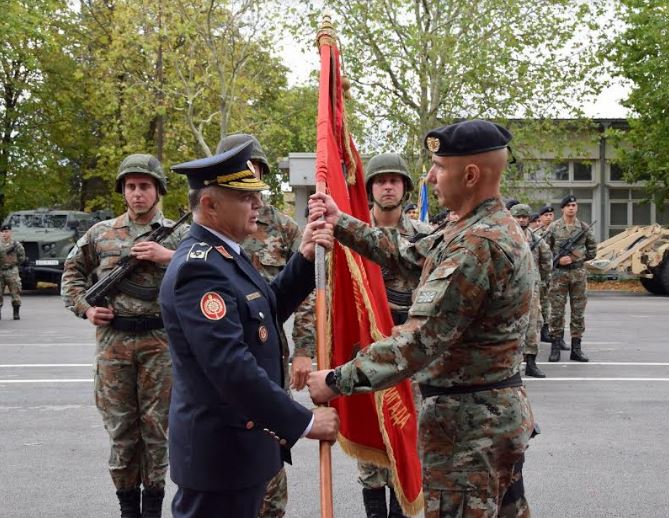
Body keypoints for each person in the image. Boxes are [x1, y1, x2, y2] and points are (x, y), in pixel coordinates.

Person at [307, 119, 536, 517]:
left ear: (469, 175)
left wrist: (334, 381)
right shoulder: (471, 229)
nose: (429, 177)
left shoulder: (478, 245)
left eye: (438, 167)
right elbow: (407, 254)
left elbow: (416, 344)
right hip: (482, 421)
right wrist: (339, 220)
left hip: (469, 433)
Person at [160, 141, 339, 518]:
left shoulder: (225, 254)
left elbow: (263, 311)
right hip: (220, 457)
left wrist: (304, 258)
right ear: (209, 205)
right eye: (245, 196)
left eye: (256, 194)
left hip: (242, 450)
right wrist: (304, 421)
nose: (258, 204)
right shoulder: (200, 267)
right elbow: (230, 366)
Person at [61, 154, 189, 518]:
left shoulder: (180, 237)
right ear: (123, 191)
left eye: (144, 186)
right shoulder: (100, 233)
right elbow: (71, 274)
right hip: (113, 343)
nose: (137, 194)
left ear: (158, 191)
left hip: (161, 343)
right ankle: (127, 509)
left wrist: (167, 256)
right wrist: (85, 307)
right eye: (131, 187)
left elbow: (207, 273)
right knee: (121, 430)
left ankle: (153, 509)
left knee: (157, 431)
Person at [215, 133, 316, 518]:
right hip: (223, 361)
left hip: (268, 356)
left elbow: (303, 294)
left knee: (270, 460)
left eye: (254, 171)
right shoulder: (203, 236)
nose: (249, 182)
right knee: (226, 471)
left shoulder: (284, 227)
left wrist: (304, 350)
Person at [357, 152, 433, 518]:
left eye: (395, 181)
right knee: (371, 444)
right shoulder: (351, 234)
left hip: (410, 357)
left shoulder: (425, 237)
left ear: (404, 188)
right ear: (370, 188)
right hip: (364, 351)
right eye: (380, 181)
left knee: (405, 440)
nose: (388, 187)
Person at [545, 195, 596, 362]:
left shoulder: (584, 227)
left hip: (578, 274)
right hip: (559, 274)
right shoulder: (553, 227)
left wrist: (574, 258)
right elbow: (545, 251)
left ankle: (576, 348)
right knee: (556, 312)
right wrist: (558, 259)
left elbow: (592, 251)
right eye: (568, 205)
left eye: (574, 205)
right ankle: (555, 347)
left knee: (578, 312)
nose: (571, 208)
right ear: (563, 209)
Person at [510, 203, 551, 378]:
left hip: (532, 288)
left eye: (524, 217)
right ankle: (512, 367)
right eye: (518, 217)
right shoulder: (505, 238)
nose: (521, 220)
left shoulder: (536, 240)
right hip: (510, 289)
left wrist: (539, 281)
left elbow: (546, 262)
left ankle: (531, 363)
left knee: (532, 325)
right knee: (511, 327)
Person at [535, 204, 555, 343]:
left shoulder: (557, 232)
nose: (549, 218)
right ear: (540, 218)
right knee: (539, 304)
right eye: (546, 215)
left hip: (554, 273)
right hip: (539, 274)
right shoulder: (535, 234)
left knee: (550, 304)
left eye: (551, 215)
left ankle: (548, 331)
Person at [0, 224, 25, 320]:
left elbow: (21, 257)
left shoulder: (16, 244)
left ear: (10, 232)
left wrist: (14, 264)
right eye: (3, 232)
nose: (4, 234)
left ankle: (16, 312)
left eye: (6, 232)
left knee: (15, 291)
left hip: (12, 270)